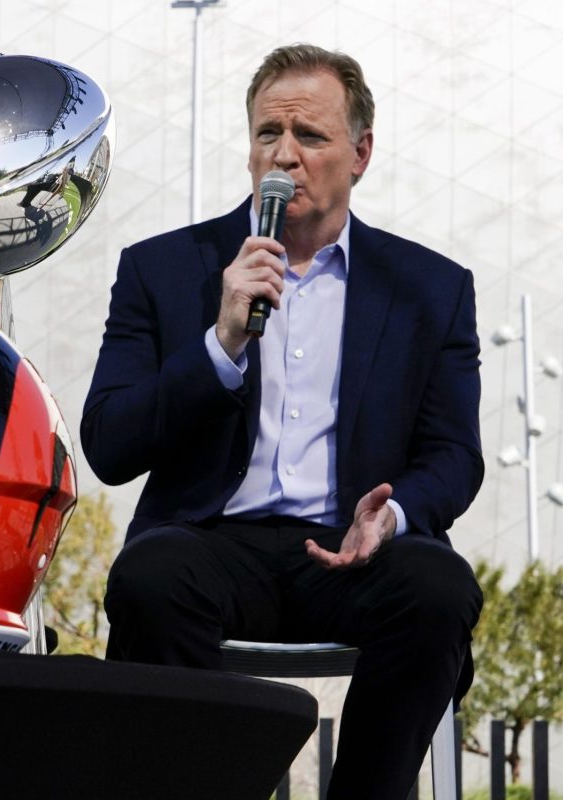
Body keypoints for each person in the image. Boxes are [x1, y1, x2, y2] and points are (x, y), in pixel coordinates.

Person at [82, 44, 483, 799]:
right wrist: (220, 342)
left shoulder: (430, 288)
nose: (285, 156)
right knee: (150, 577)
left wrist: (392, 516)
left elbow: (455, 456)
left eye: (311, 137)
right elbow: (109, 442)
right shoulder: (165, 269)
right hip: (211, 544)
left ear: (360, 153)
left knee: (437, 587)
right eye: (269, 134)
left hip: (352, 549)